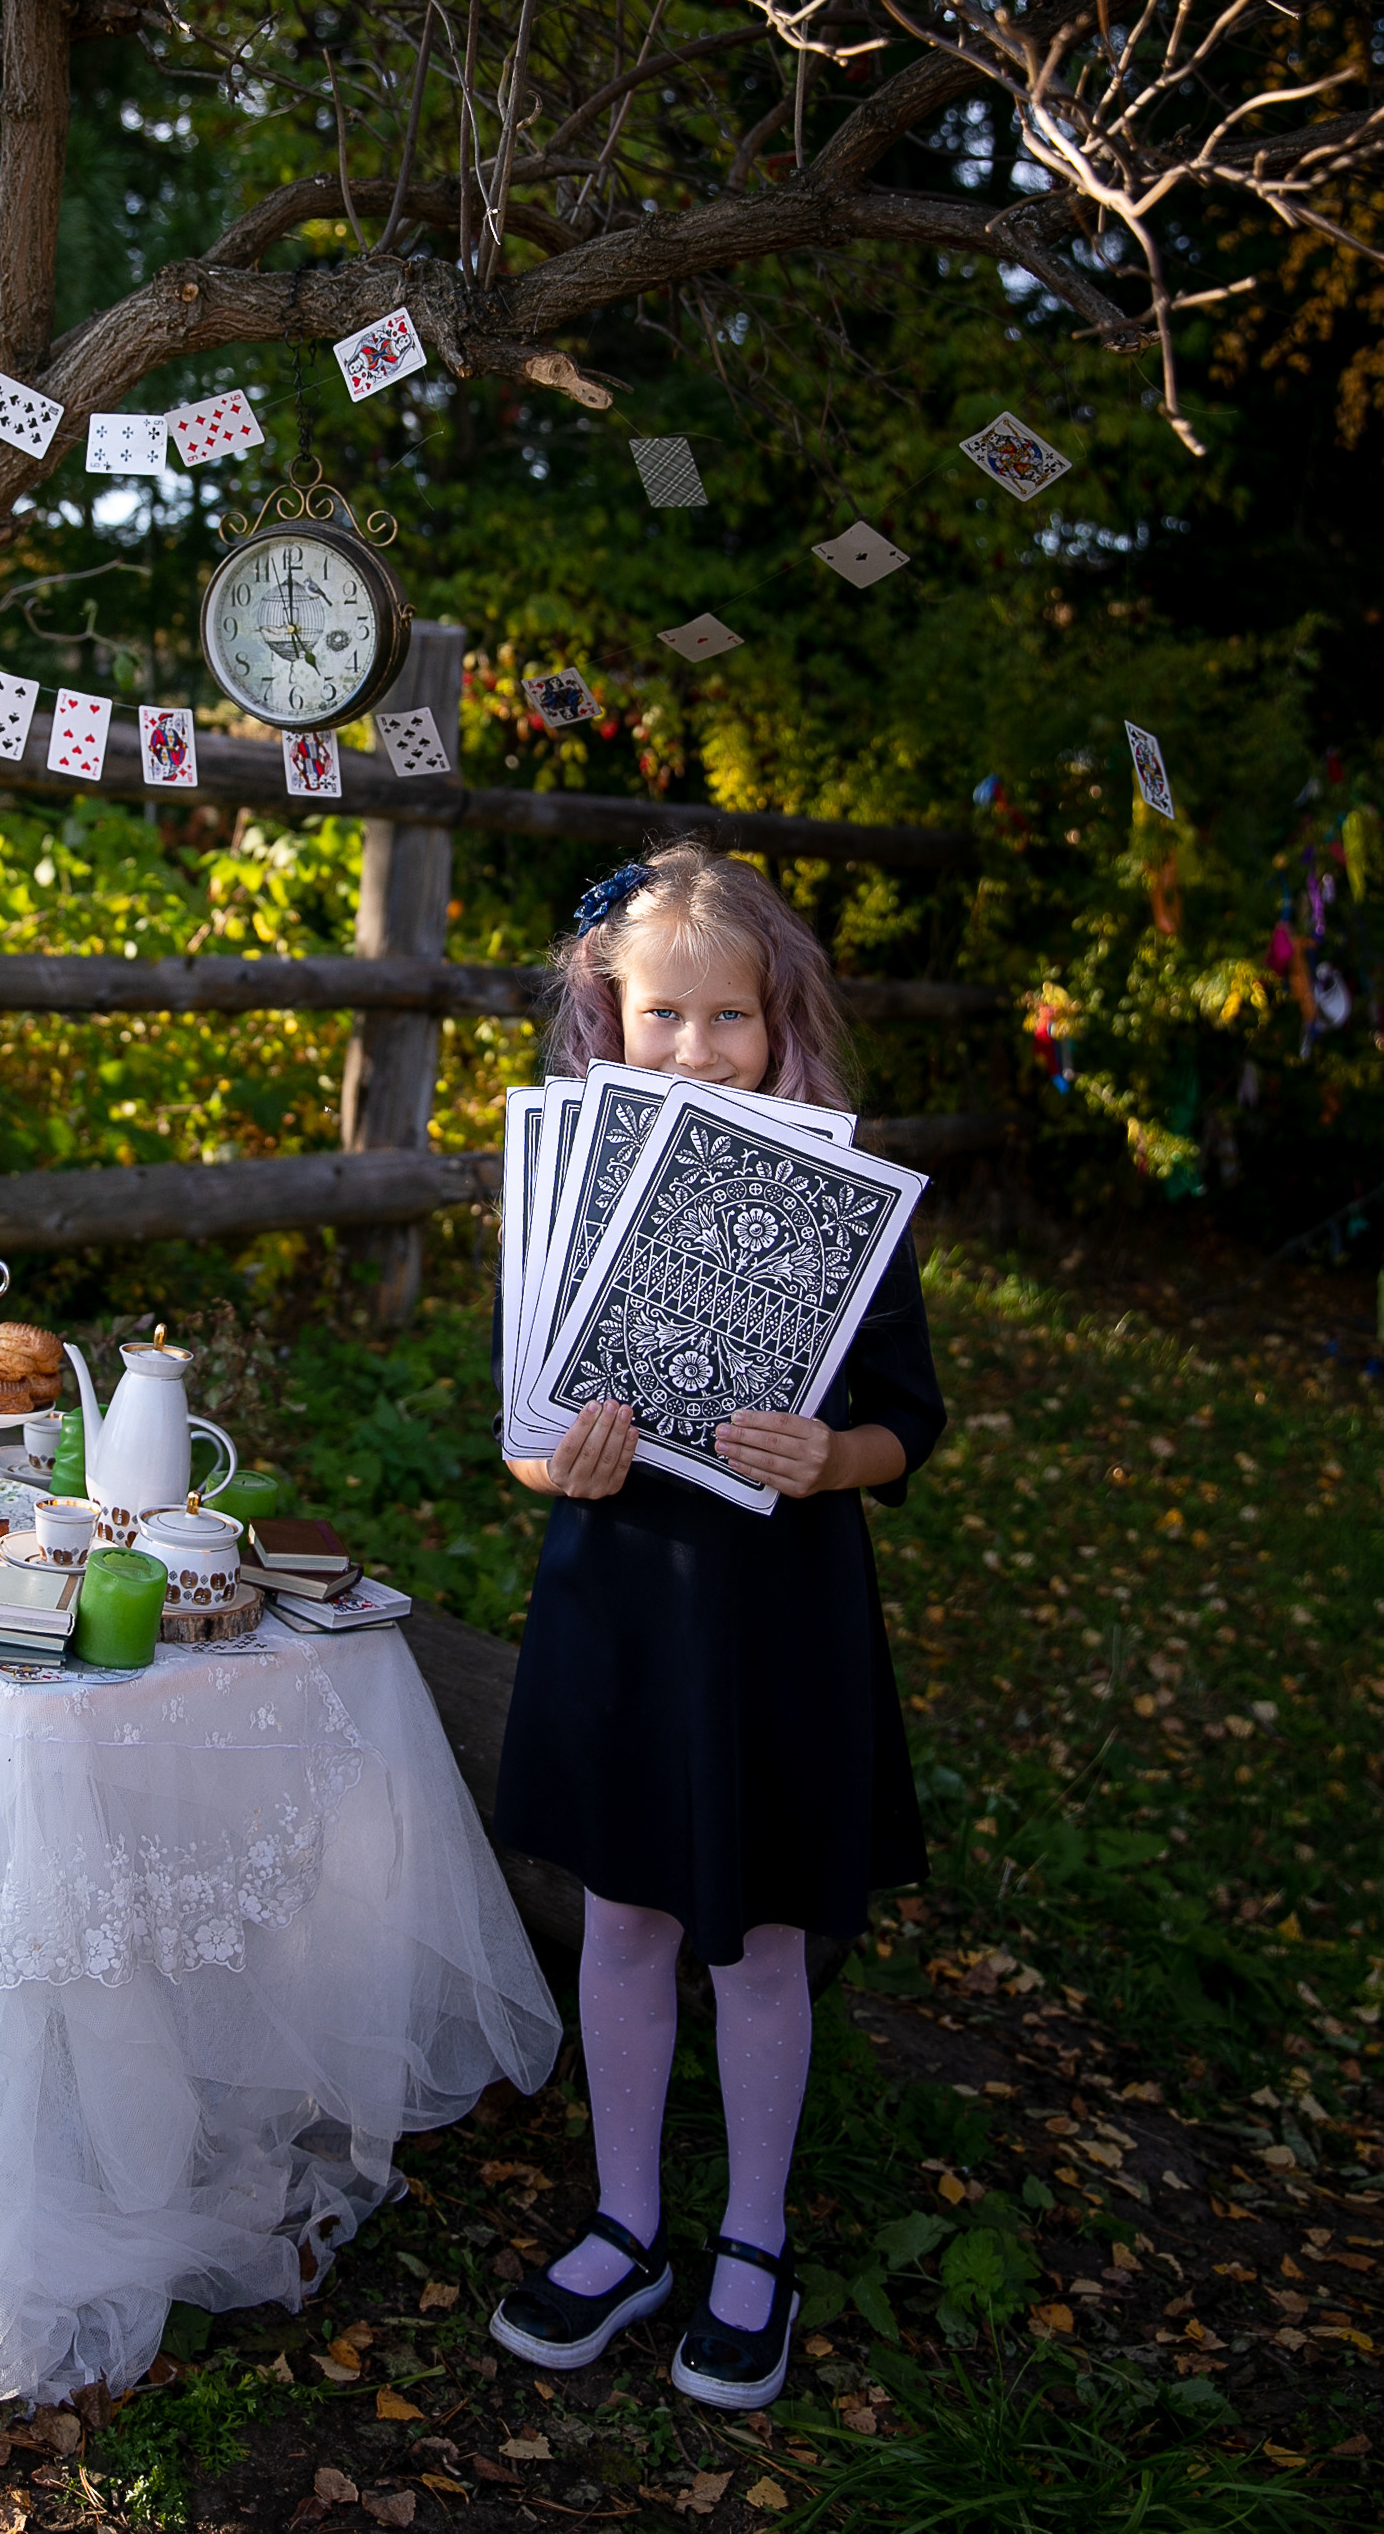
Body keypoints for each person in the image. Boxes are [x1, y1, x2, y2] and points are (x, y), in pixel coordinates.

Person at [488, 844, 945, 2404]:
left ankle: (752, 2238)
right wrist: (566, 1458)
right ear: (609, 1022)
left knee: (754, 1941)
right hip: (624, 1598)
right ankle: (628, 2222)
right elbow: (521, 1433)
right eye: (661, 1015)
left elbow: (908, 1418)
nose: (693, 1047)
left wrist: (838, 1453)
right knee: (625, 1915)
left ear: (779, 1022)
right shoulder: (562, 1181)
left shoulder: (832, 1198)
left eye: (727, 1017)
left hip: (775, 1618)